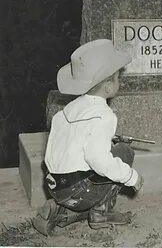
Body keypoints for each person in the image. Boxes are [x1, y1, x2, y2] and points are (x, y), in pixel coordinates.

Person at [32, 39, 144, 235]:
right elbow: (98, 160)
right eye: (118, 77)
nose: (119, 81)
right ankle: (102, 212)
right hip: (79, 191)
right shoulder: (104, 115)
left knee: (87, 178)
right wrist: (131, 177)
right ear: (108, 86)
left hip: (56, 187)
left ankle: (62, 210)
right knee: (124, 152)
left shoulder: (67, 111)